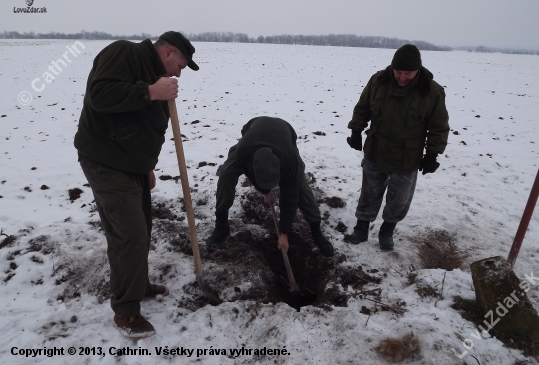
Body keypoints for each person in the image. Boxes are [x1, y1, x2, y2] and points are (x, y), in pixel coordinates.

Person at [74, 31, 199, 339]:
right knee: (129, 235)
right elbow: (100, 95)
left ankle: (138, 285)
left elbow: (141, 126)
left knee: (142, 228)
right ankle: (126, 312)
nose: (179, 73)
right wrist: (151, 92)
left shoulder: (154, 75)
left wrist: (146, 168)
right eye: (180, 65)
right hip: (106, 161)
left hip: (132, 166)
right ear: (169, 52)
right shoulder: (124, 53)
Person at [344, 44, 449, 250]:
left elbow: (439, 126)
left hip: (406, 156)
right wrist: (356, 130)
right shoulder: (378, 80)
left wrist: (432, 154)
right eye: (398, 72)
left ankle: (387, 231)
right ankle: (361, 227)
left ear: (417, 70)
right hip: (376, 149)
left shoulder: (432, 91)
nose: (402, 77)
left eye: (407, 74)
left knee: (399, 199)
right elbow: (363, 107)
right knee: (369, 191)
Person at [206, 116, 334, 256]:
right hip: (252, 130)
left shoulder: (289, 161)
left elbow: (289, 197)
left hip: (285, 134)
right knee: (227, 173)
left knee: (300, 187)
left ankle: (316, 232)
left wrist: (284, 232)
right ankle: (221, 226)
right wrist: (265, 191)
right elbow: (250, 173)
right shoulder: (243, 151)